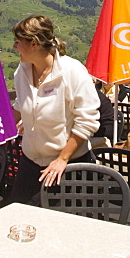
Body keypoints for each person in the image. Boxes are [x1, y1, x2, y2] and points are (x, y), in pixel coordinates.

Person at [9, 15, 99, 205]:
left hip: (68, 166)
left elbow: (87, 121)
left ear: (33, 43)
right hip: (30, 164)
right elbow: (19, 106)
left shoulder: (72, 71)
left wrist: (62, 159)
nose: (14, 47)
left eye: (18, 42)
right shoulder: (22, 72)